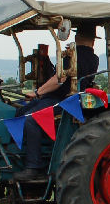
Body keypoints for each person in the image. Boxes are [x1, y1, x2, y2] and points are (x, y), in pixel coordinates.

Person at [13, 25, 101, 180]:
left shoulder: (72, 56)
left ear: (76, 37)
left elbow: (58, 80)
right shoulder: (94, 58)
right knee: (21, 111)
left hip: (62, 100)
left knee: (30, 119)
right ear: (93, 40)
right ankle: (30, 153)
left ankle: (33, 166)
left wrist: (37, 93)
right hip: (71, 100)